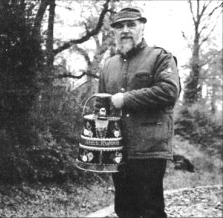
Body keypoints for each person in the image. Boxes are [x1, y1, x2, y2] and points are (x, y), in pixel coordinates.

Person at [95, 6, 180, 218]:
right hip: (118, 149)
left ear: (142, 27)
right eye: (119, 26)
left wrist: (126, 99)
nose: (125, 30)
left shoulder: (160, 57)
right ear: (113, 31)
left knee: (151, 210)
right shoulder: (108, 65)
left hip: (150, 148)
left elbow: (169, 91)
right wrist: (98, 130)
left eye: (131, 25)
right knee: (124, 210)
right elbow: (102, 104)